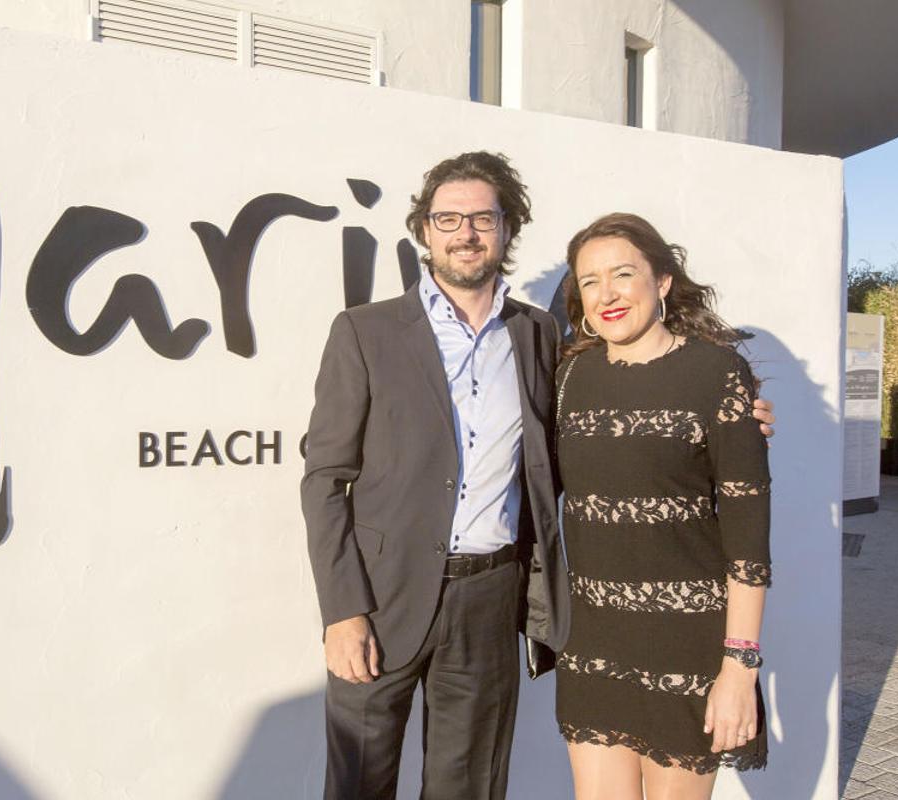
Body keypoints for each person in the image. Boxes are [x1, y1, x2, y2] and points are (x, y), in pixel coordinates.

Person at [301, 153, 774, 798]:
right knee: (357, 785)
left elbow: (620, 420)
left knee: (468, 787)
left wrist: (737, 422)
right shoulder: (365, 331)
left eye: (483, 218)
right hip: (381, 601)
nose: (466, 232)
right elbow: (325, 478)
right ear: (425, 230)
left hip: (491, 601)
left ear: (507, 229)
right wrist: (342, 612)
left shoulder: (539, 335)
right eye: (448, 218)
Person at [553, 213, 771, 800]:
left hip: (687, 645)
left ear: (663, 281)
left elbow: (749, 541)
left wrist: (739, 666)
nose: (607, 294)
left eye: (623, 274)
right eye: (590, 281)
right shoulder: (569, 377)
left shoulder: (717, 373)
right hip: (594, 643)